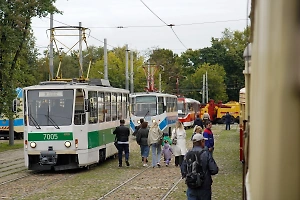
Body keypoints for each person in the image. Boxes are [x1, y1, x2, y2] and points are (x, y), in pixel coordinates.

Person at [181, 134, 219, 200]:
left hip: (191, 185)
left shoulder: (188, 154)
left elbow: (183, 170)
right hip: (204, 186)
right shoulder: (206, 154)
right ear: (201, 142)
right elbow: (214, 170)